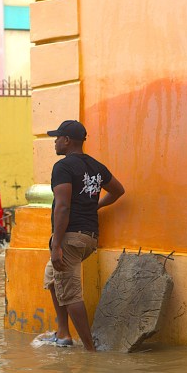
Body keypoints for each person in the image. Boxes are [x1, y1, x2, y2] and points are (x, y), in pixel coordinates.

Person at [44, 119, 125, 351]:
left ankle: (90, 351)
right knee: (52, 277)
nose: (55, 142)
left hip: (69, 238)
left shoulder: (63, 167)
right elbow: (119, 191)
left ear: (67, 140)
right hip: (89, 237)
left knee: (70, 292)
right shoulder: (96, 166)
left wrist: (57, 244)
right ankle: (63, 334)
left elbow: (63, 207)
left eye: (57, 137)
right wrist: (95, 207)